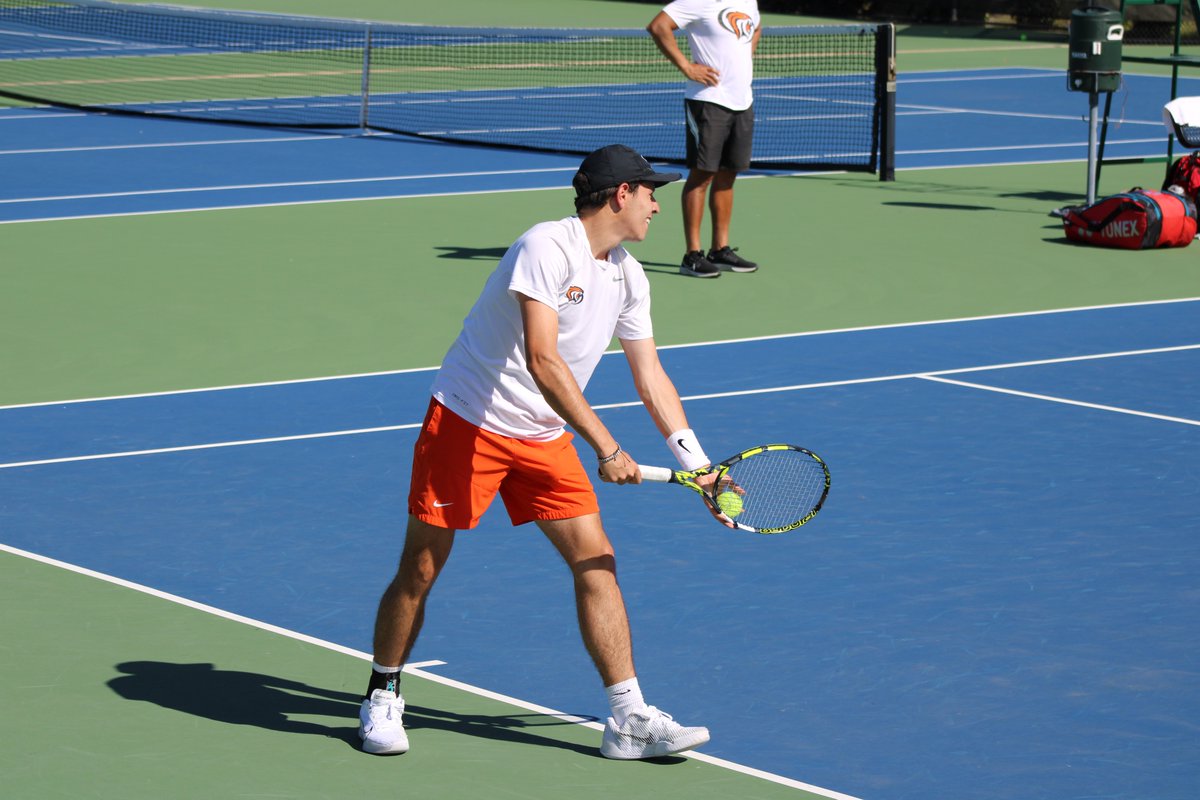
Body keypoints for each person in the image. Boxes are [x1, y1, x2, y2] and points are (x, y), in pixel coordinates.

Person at [358, 144, 721, 760]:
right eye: (649, 191)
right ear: (619, 195)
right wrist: (607, 447)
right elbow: (543, 360)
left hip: (544, 435)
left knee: (596, 559)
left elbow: (650, 374)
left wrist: (697, 462)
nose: (659, 204)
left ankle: (627, 717)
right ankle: (382, 692)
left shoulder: (629, 274)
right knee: (421, 565)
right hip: (470, 420)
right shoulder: (546, 246)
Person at [647, 0, 762, 279]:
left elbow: (756, 27)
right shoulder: (697, 1)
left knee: (728, 175)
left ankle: (719, 250)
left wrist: (746, 58)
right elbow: (658, 26)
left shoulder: (748, 2)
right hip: (708, 101)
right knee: (702, 176)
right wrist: (687, 67)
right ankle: (692, 256)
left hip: (742, 101)